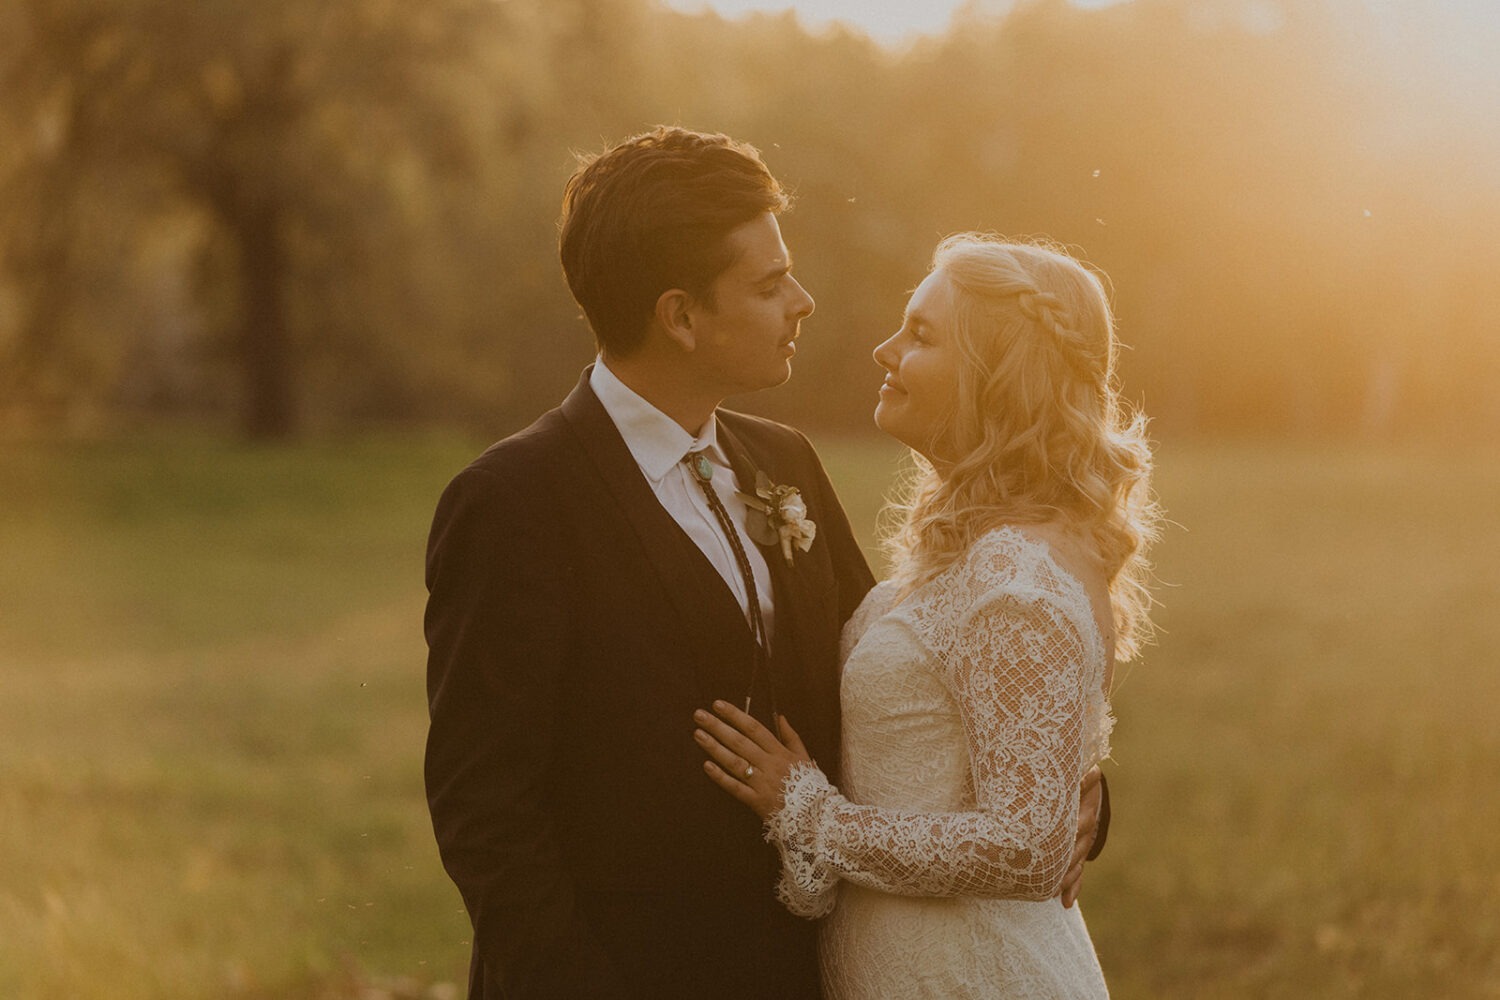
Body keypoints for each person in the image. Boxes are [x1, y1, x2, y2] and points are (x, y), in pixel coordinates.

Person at [424, 127, 1107, 999]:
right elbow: (484, 812)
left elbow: (901, 680)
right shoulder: (515, 501)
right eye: (769, 282)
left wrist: (1070, 789)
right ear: (680, 315)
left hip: (804, 974)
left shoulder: (785, 464)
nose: (804, 300)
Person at [695, 233, 1159, 998]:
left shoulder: (1014, 577)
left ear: (996, 378)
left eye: (920, 336)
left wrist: (808, 811)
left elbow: (1026, 847)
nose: (883, 350)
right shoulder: (973, 555)